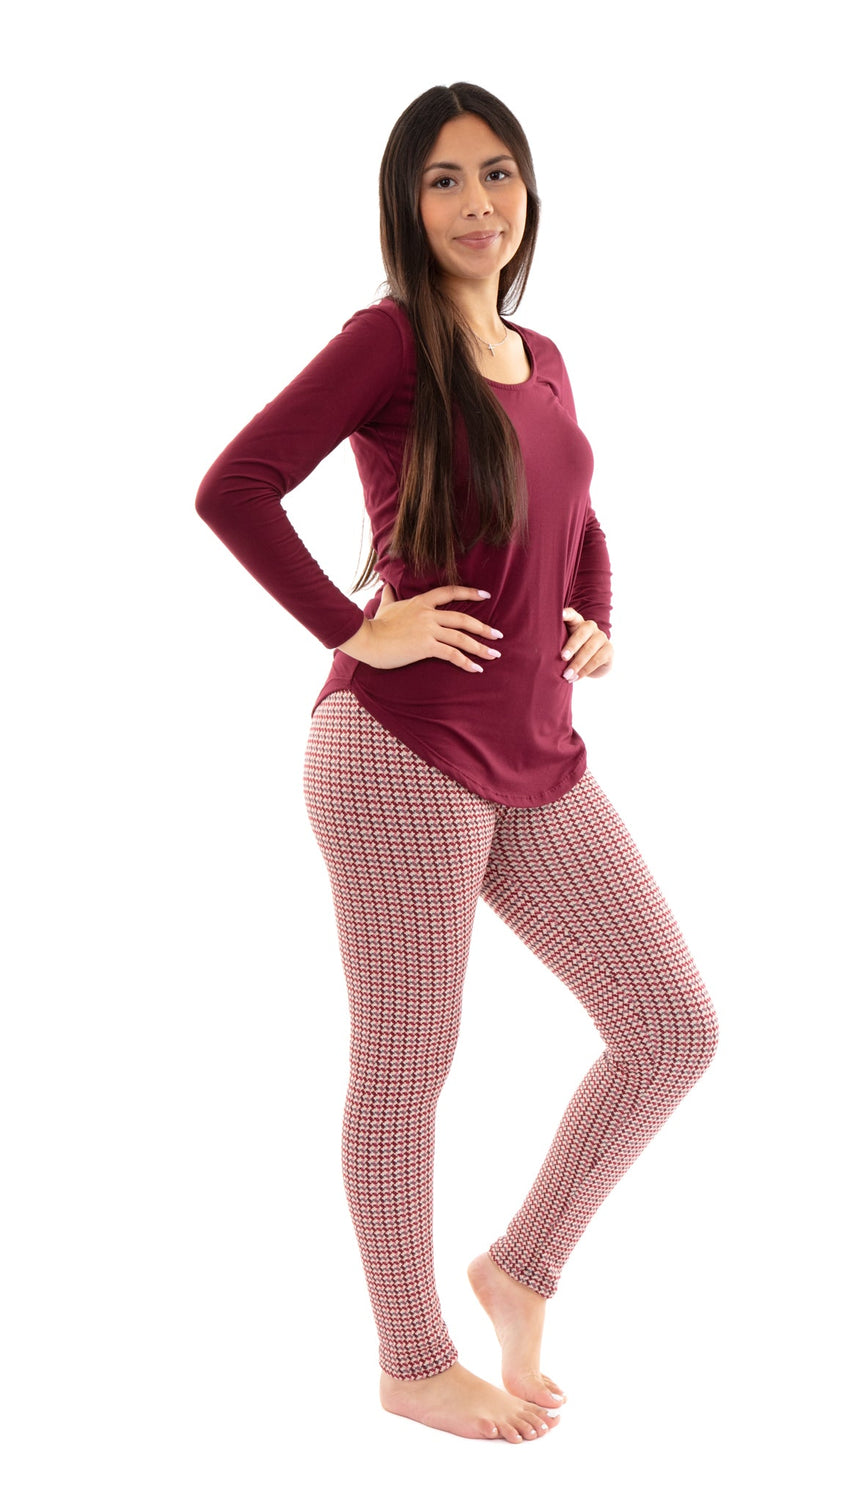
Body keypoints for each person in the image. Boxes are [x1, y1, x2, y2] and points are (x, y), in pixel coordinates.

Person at [195, 80, 719, 1445]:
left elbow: (579, 513)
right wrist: (356, 624)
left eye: (497, 173)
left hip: (536, 747)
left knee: (672, 1027)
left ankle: (519, 1270)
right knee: (409, 1055)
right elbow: (234, 487)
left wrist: (597, 609)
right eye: (443, 180)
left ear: (528, 189)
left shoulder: (542, 356)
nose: (477, 202)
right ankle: (412, 1360)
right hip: (400, 748)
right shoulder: (388, 340)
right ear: (406, 204)